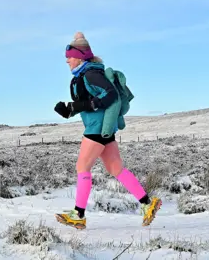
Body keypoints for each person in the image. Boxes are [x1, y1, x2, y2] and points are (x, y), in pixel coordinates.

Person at [53, 31, 162, 230]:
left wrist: (79, 106)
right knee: (115, 169)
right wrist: (69, 110)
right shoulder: (83, 75)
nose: (67, 61)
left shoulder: (91, 73)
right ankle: (148, 204)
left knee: (82, 167)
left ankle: (78, 214)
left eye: (69, 56)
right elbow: (90, 103)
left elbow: (110, 95)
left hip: (97, 129)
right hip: (104, 129)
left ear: (79, 57)